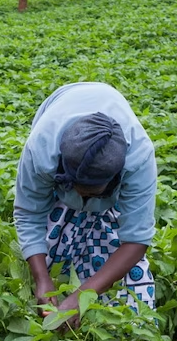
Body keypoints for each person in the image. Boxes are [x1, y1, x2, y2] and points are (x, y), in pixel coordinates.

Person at [14, 82, 157, 323]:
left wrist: (83, 295)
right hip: (58, 127)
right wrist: (42, 279)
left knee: (131, 290)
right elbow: (29, 213)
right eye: (81, 190)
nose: (85, 199)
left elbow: (136, 238)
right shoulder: (41, 149)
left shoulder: (139, 159)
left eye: (94, 193)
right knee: (48, 263)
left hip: (114, 182)